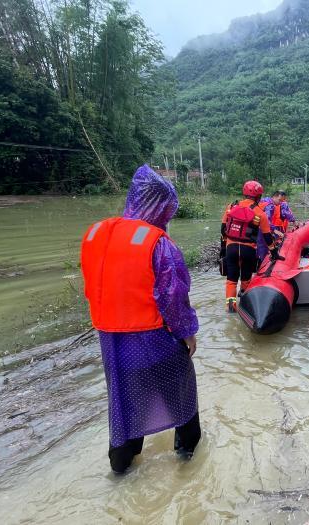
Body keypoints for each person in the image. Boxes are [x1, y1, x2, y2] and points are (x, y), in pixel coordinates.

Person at [81, 165, 201, 474]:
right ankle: (188, 457)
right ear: (160, 206)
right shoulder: (158, 243)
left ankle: (121, 465)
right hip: (152, 337)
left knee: (123, 399)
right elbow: (173, 298)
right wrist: (187, 333)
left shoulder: (95, 233)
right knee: (181, 391)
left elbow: (93, 286)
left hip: (110, 341)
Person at [221, 181, 281, 312]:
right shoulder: (260, 213)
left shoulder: (231, 206)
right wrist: (274, 252)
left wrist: (222, 250)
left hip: (231, 248)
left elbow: (223, 229)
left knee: (231, 280)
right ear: (259, 196)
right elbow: (267, 237)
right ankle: (245, 304)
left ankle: (231, 308)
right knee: (246, 279)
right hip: (248, 250)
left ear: (244, 193)